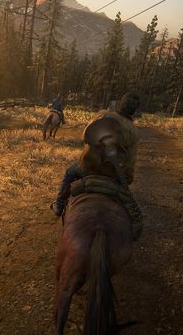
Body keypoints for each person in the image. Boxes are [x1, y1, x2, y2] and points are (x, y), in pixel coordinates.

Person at [50, 93, 142, 237]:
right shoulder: (133, 132)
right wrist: (125, 178)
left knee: (70, 171)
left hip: (87, 168)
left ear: (119, 104)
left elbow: (85, 137)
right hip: (114, 175)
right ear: (134, 111)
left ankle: (59, 204)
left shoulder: (102, 115)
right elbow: (129, 163)